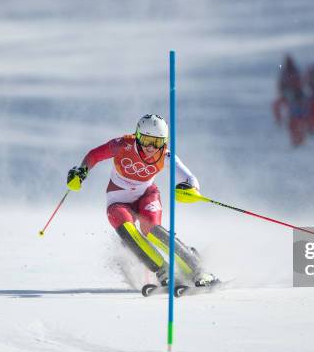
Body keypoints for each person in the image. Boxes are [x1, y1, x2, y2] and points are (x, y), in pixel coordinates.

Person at [66, 114, 217, 287]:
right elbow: (94, 155)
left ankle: (198, 269)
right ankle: (163, 270)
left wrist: (191, 189)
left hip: (147, 196)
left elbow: (190, 178)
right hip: (118, 199)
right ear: (137, 137)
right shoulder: (122, 145)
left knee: (151, 230)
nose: (151, 147)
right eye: (146, 140)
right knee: (125, 228)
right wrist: (81, 171)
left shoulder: (166, 156)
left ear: (164, 142)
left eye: (157, 142)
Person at [272, 55, 308, 146]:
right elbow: (280, 86)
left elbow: (300, 84)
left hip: (297, 99)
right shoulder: (285, 73)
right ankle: (296, 140)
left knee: (298, 120)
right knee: (293, 121)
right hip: (290, 98)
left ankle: (300, 139)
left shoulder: (294, 72)